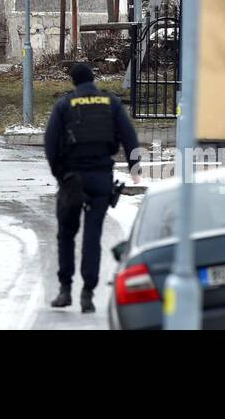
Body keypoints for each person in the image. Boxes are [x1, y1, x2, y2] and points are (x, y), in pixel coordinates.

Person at [43, 62, 141, 314]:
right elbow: (129, 137)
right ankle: (88, 292)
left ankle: (65, 289)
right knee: (92, 235)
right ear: (93, 79)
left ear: (73, 81)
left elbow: (51, 143)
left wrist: (60, 175)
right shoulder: (110, 103)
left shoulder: (65, 105)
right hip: (100, 178)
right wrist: (134, 167)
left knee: (66, 233)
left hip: (72, 179)